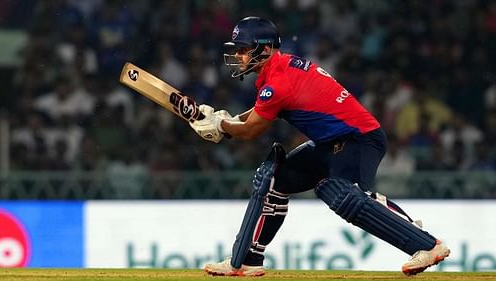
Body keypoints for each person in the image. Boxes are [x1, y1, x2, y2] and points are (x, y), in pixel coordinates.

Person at [189, 16, 450, 277]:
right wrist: (226, 120)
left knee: (341, 193)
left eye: (244, 49)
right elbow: (260, 113)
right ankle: (247, 260)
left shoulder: (278, 82)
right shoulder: (279, 70)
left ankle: (427, 245)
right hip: (331, 142)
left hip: (359, 138)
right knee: (274, 180)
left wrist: (222, 126)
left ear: (265, 49)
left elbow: (251, 130)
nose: (238, 55)